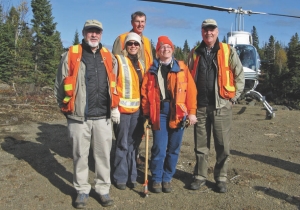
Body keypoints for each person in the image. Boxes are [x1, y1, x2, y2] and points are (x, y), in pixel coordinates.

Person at [54, 19, 119, 208]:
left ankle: (103, 189)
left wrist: (114, 108)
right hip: (78, 117)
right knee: (80, 155)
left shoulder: (108, 56)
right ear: (84, 33)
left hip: (103, 117)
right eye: (90, 31)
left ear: (101, 34)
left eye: (97, 32)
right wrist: (65, 109)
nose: (94, 34)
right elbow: (59, 85)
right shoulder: (71, 54)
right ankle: (82, 190)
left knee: (103, 156)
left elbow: (114, 84)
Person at [187, 19, 245, 193]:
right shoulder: (195, 53)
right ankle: (200, 176)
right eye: (205, 30)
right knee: (201, 146)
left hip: (222, 106)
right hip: (200, 107)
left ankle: (221, 178)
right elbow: (188, 79)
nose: (208, 33)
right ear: (201, 31)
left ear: (217, 31)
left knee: (223, 145)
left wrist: (233, 98)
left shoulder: (228, 51)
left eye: (211, 29)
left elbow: (239, 75)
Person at [141, 36, 197, 193]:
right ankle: (157, 178)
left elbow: (191, 92)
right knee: (159, 147)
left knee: (174, 148)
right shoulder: (152, 70)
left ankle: (167, 178)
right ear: (157, 51)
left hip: (178, 113)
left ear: (173, 49)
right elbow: (145, 93)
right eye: (161, 47)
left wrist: (192, 112)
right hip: (159, 112)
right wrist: (146, 113)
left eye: (168, 46)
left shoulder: (182, 68)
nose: (165, 49)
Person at [112, 11, 153, 167]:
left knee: (138, 129)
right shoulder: (122, 39)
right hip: (125, 95)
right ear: (132, 23)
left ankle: (134, 155)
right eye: (137, 21)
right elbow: (115, 67)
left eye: (143, 21)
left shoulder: (147, 42)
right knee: (123, 132)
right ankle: (123, 162)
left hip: (142, 92)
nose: (140, 24)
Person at [113, 32, 146, 190]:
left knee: (133, 145)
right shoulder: (118, 61)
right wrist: (114, 108)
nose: (133, 46)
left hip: (137, 112)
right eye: (130, 43)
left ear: (139, 47)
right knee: (122, 144)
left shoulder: (141, 64)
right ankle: (120, 176)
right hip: (122, 111)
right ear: (125, 46)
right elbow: (111, 86)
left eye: (136, 44)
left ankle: (132, 176)